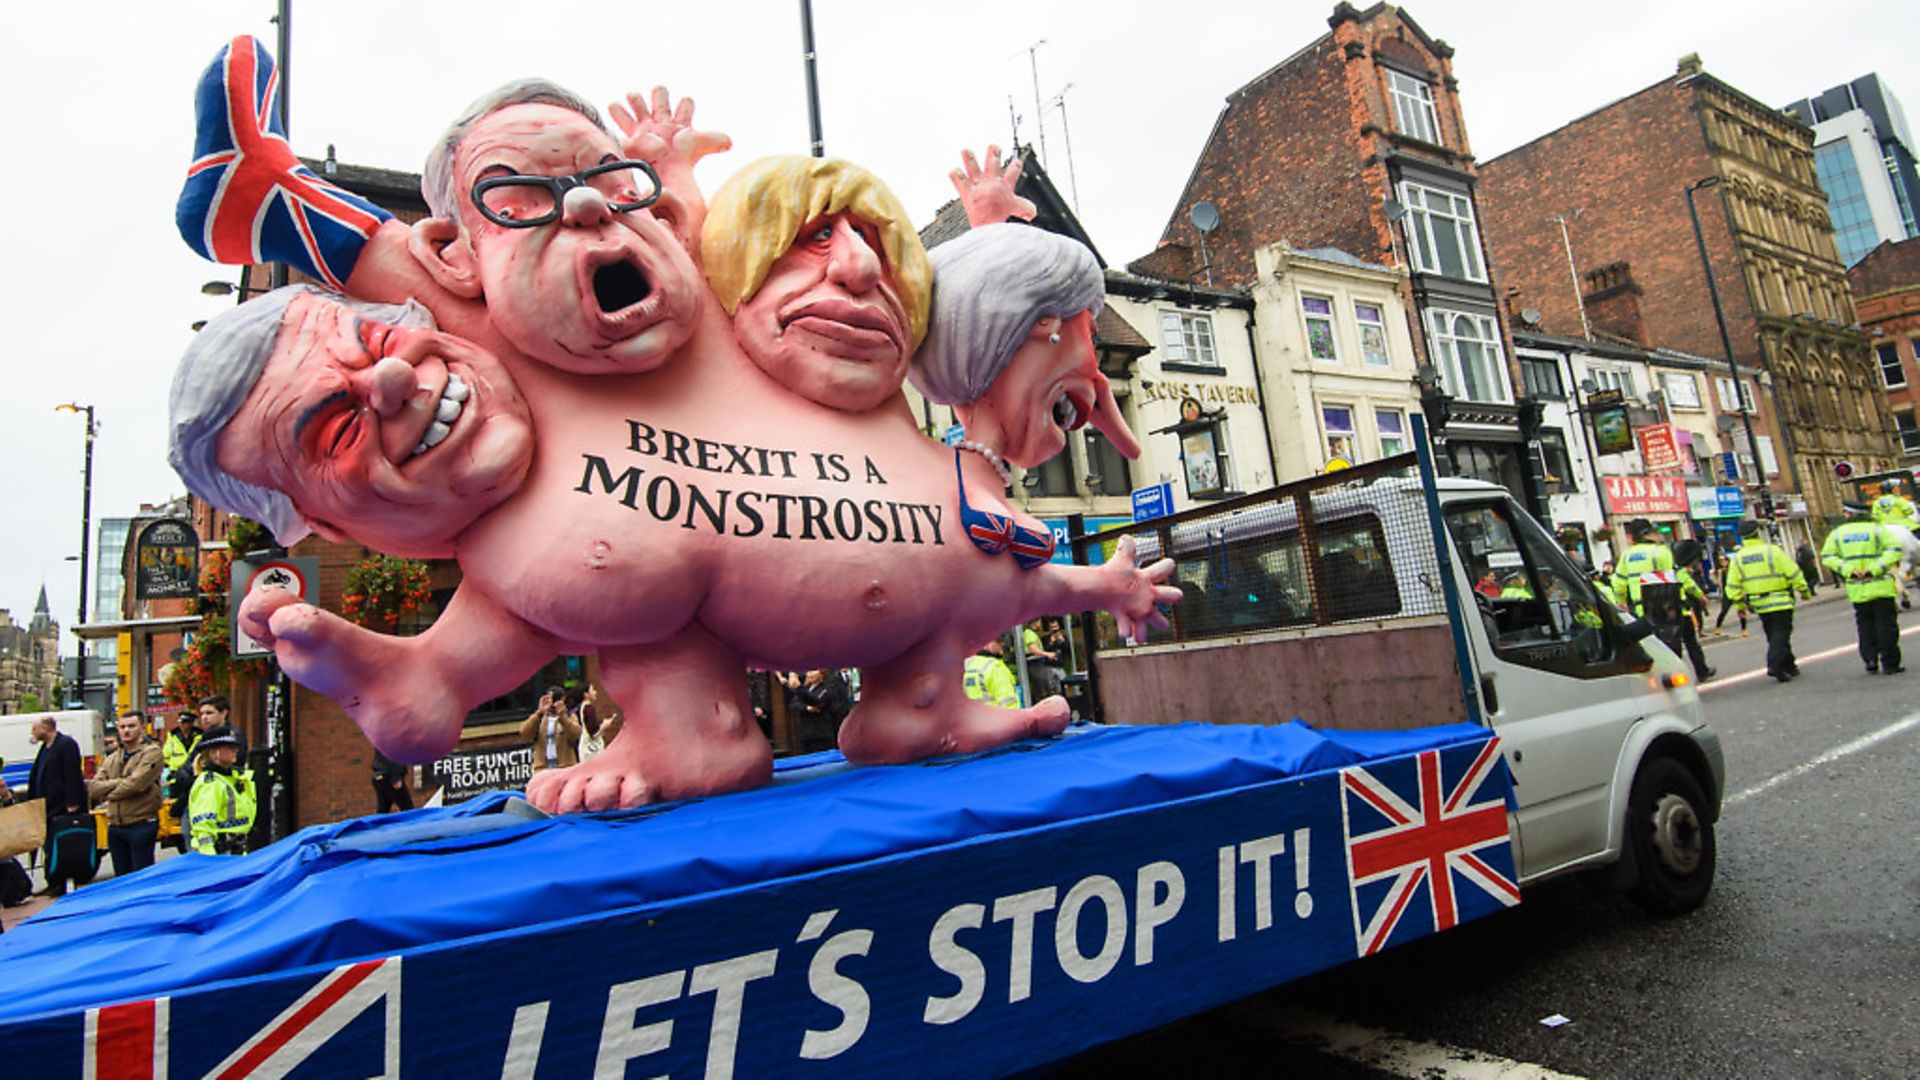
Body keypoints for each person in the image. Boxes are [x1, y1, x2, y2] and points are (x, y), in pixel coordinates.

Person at [1820, 502, 1904, 675]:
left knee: (1865, 626)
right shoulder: (1878, 530)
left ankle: (1870, 660)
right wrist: (1874, 569)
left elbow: (1828, 557)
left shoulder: (1837, 534)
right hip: (1881, 586)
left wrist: (1849, 571)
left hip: (1857, 589)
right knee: (1886, 626)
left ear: (1850, 515)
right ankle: (1890, 663)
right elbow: (1895, 550)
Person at [1725, 519, 1812, 682]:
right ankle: (1775, 665)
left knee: (1773, 634)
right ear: (1758, 533)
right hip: (1780, 599)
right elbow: (1793, 573)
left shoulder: (1738, 558)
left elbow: (1732, 585)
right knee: (1781, 633)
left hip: (1759, 603)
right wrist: (1804, 590)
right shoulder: (1772, 551)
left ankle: (1789, 665)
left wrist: (1739, 604)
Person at [88, 711, 164, 877]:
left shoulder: (151, 752)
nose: (126, 731)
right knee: (122, 878)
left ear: (142, 728)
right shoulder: (113, 758)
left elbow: (136, 784)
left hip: (141, 823)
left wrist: (108, 793)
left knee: (141, 878)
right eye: (122, 727)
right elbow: (94, 788)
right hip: (116, 825)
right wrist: (119, 783)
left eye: (131, 726)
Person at [25, 716, 85, 896]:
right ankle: (52, 880)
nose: (32, 733)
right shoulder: (45, 748)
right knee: (49, 846)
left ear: (45, 728)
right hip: (46, 807)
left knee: (62, 845)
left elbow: (72, 774)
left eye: (35, 728)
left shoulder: (66, 744)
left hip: (62, 806)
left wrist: (72, 802)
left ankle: (61, 881)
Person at [187, 726, 256, 856]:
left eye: (235, 746)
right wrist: (210, 859)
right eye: (229, 747)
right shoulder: (210, 784)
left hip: (236, 852)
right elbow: (203, 826)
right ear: (214, 753)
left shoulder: (234, 777)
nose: (235, 750)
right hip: (220, 855)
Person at [1667, 540, 1716, 681]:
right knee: (1691, 643)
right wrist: (1702, 597)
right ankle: (1702, 671)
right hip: (1682, 613)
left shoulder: (1667, 571)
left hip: (1668, 615)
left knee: (1674, 647)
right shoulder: (1679, 572)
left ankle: (1675, 675)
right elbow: (1690, 586)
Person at [1609, 519, 1675, 610]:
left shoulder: (1626, 554)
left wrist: (1620, 602)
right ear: (1645, 535)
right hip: (1663, 606)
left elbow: (1618, 583)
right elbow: (1674, 577)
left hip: (1639, 606)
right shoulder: (1661, 551)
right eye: (1654, 532)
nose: (1659, 535)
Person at [519, 689, 583, 774]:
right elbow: (524, 733)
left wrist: (562, 717)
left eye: (555, 699)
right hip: (543, 770)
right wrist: (539, 713)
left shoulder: (570, 717)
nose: (552, 703)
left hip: (564, 769)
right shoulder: (540, 719)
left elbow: (577, 735)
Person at [962, 638, 1021, 709]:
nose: (1002, 644)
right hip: (997, 718)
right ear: (987, 643)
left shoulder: (968, 664)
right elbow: (1008, 702)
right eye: (999, 641)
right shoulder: (995, 667)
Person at [575, 686, 624, 763]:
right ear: (586, 694)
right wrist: (605, 725)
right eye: (593, 690)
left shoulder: (583, 707)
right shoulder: (589, 708)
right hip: (591, 749)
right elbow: (594, 733)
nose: (595, 693)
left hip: (586, 747)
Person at [1712, 550, 1749, 637]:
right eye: (1721, 561)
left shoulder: (1733, 570)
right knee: (1724, 611)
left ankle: (1744, 629)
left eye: (1724, 560)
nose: (1723, 562)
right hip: (1726, 593)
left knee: (1741, 611)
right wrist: (1713, 576)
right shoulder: (1720, 572)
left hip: (1736, 592)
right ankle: (1718, 627)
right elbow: (1717, 582)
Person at [371, 749, 414, 813]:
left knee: (383, 809)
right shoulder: (391, 740)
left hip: (379, 776)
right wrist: (395, 778)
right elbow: (391, 756)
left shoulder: (381, 740)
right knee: (407, 808)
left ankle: (379, 822)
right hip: (389, 777)